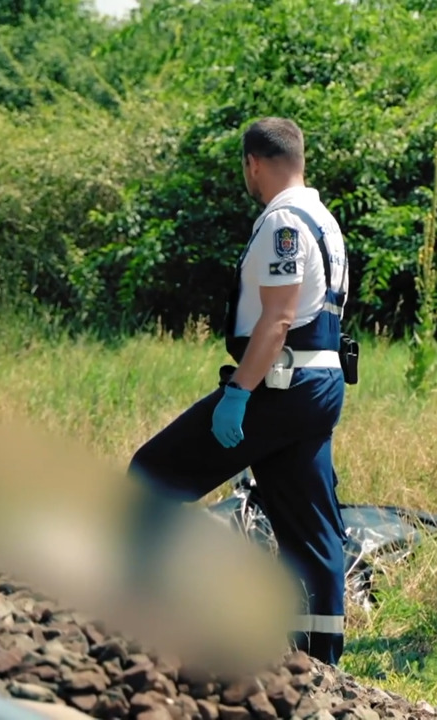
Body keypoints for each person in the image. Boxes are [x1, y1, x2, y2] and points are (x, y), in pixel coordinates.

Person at [127, 117, 352, 665]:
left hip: (282, 384)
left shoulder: (284, 223)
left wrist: (239, 395)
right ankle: (319, 662)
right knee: (310, 527)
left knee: (153, 472)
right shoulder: (324, 218)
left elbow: (276, 321)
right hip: (318, 382)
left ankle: (141, 620)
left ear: (253, 163)